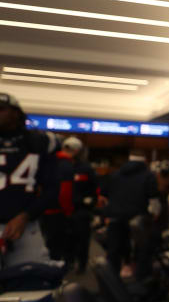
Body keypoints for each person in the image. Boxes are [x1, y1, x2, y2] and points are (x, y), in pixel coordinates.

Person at [0, 92, 61, 266]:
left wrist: (25, 216)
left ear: (16, 113)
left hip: (26, 227)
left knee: (32, 284)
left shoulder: (39, 142)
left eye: (1, 109)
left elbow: (52, 189)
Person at [99, 150, 156, 275]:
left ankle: (112, 282)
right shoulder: (149, 175)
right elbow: (154, 201)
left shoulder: (114, 174)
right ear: (144, 160)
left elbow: (103, 197)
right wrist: (154, 215)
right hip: (137, 219)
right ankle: (140, 280)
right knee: (141, 249)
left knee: (114, 251)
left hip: (115, 217)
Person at [65, 137, 97, 273]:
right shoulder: (60, 166)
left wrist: (89, 204)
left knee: (82, 239)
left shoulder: (86, 168)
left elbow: (94, 188)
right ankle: (68, 262)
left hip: (81, 210)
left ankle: (82, 265)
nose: (68, 152)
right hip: (64, 209)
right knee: (66, 239)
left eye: (71, 149)